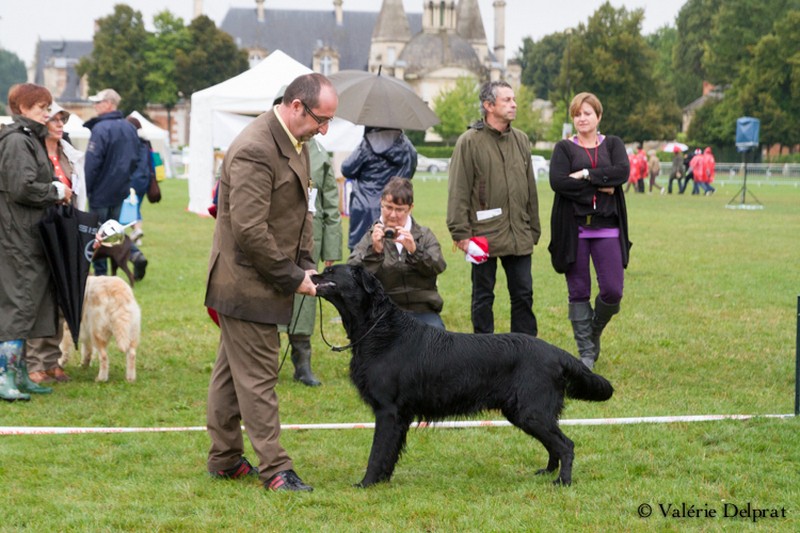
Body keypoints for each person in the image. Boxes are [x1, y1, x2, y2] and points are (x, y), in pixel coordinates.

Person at [204, 73, 337, 492]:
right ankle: (276, 470)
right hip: (245, 284)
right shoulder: (255, 148)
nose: (325, 129)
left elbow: (303, 212)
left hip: (263, 278)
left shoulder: (296, 142)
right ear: (297, 106)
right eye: (321, 119)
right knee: (260, 377)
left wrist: (305, 263)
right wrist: (294, 278)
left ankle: (224, 458)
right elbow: (249, 231)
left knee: (231, 375)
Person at [446, 80, 540, 336]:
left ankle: (525, 350)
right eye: (507, 100)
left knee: (523, 295)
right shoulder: (469, 141)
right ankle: (483, 353)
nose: (514, 104)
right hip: (481, 235)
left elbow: (530, 188)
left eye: (514, 99)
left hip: (518, 233)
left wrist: (533, 229)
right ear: (488, 105)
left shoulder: (521, 140)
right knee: (483, 297)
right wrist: (461, 234)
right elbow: (458, 191)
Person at [548, 92, 631, 370]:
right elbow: (558, 182)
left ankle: (594, 330)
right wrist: (602, 184)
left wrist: (584, 175)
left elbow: (622, 173)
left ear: (598, 116)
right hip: (574, 230)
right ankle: (586, 352)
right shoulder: (564, 148)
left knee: (612, 291)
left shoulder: (614, 144)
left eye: (587, 113)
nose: (582, 118)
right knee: (579, 291)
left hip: (607, 228)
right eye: (577, 114)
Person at [0, 83, 73, 400]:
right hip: (16, 236)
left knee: (30, 305)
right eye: (41, 107)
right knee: (18, 305)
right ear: (22, 109)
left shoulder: (31, 139)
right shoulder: (17, 141)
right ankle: (6, 377)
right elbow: (22, 188)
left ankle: (20, 374)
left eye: (47, 106)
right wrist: (56, 191)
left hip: (30, 233)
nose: (47, 112)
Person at [273, 86, 342, 387]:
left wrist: (331, 247)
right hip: (274, 239)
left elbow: (331, 203)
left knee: (305, 304)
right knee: (272, 299)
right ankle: (267, 361)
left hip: (309, 239)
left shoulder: (319, 154)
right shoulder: (270, 147)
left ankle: (303, 363)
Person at [25, 102, 82, 384]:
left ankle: (52, 360)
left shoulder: (67, 153)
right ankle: (33, 362)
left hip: (64, 230)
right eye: (55, 120)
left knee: (61, 296)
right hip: (37, 231)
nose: (60, 125)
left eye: (63, 120)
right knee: (38, 299)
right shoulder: (32, 153)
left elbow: (79, 192)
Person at [348, 177, 447, 329]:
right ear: (381, 203)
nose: (393, 215)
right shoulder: (371, 236)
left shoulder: (424, 235)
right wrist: (374, 252)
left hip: (422, 309)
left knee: (435, 343)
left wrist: (415, 251)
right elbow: (352, 273)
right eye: (388, 207)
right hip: (384, 311)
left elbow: (438, 266)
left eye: (399, 209)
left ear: (410, 208)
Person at [83, 88, 147, 280]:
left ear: (109, 104)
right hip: (121, 190)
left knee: (98, 233)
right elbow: (136, 158)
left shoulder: (100, 129)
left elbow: (92, 163)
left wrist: (86, 187)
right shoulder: (129, 128)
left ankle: (101, 273)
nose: (95, 106)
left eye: (98, 102)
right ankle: (134, 254)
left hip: (101, 192)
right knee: (116, 231)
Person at [342, 126, 417, 251]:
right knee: (395, 251)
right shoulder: (406, 146)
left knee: (360, 252)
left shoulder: (367, 144)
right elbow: (410, 170)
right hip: (396, 203)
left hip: (364, 205)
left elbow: (347, 168)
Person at [125, 116, 156, 245]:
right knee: (136, 206)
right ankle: (136, 234)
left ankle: (137, 230)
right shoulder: (146, 142)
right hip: (146, 179)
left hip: (133, 179)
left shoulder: (131, 142)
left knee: (131, 207)